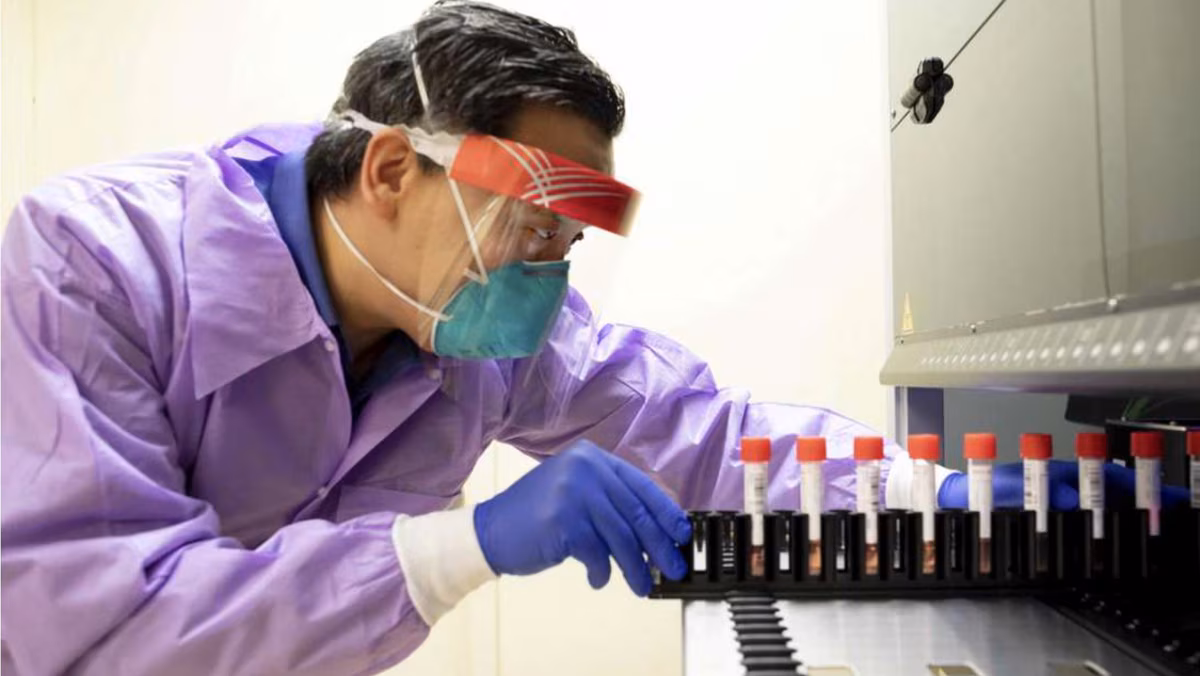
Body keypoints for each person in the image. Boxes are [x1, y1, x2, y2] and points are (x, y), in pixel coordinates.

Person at [0, 2, 1180, 674]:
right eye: (535, 225)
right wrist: (455, 549)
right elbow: (98, 630)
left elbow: (706, 436)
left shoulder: (487, 321)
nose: (555, 274)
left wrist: (950, 500)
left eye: (577, 237)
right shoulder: (90, 263)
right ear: (395, 169)